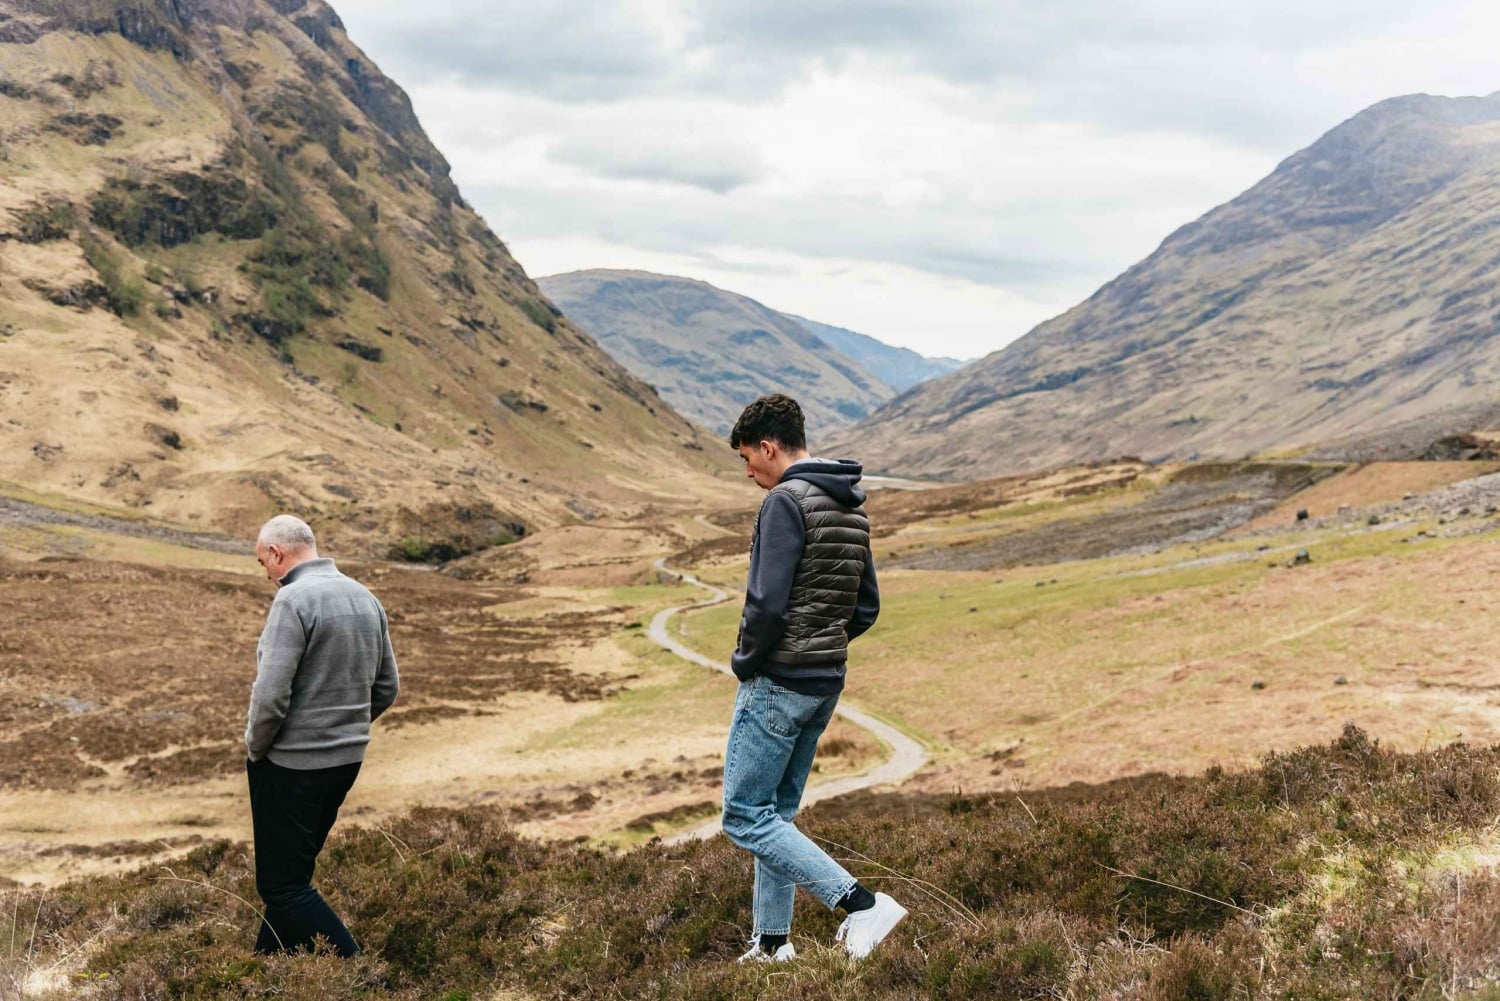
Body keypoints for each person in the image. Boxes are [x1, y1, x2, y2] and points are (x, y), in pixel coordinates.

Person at [720, 394, 906, 962]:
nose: (748, 471)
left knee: (744, 815)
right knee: (776, 815)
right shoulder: (850, 504)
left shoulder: (784, 501)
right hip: (824, 683)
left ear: (768, 448)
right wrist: (823, 647)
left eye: (747, 458)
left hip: (778, 682)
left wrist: (747, 662)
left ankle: (861, 905)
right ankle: (773, 943)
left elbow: (766, 605)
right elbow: (866, 607)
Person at [244, 514, 399, 956]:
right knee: (292, 876)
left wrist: (256, 749)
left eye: (263, 563)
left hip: (291, 765)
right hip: (346, 761)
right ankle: (264, 970)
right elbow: (387, 687)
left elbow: (271, 696)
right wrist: (345, 730)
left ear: (277, 553)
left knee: (282, 886)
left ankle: (360, 975)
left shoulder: (292, 600)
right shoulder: (365, 597)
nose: (266, 574)